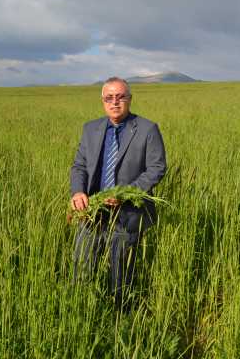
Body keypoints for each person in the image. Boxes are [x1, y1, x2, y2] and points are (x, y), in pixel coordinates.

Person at [70, 76, 167, 309]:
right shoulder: (91, 129)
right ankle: (81, 313)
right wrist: (77, 192)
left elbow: (157, 167)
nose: (115, 102)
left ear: (130, 99)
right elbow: (79, 166)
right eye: (109, 98)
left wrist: (126, 193)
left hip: (127, 214)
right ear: (103, 101)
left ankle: (121, 319)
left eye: (121, 96)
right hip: (93, 212)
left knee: (121, 275)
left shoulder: (147, 129)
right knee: (82, 268)